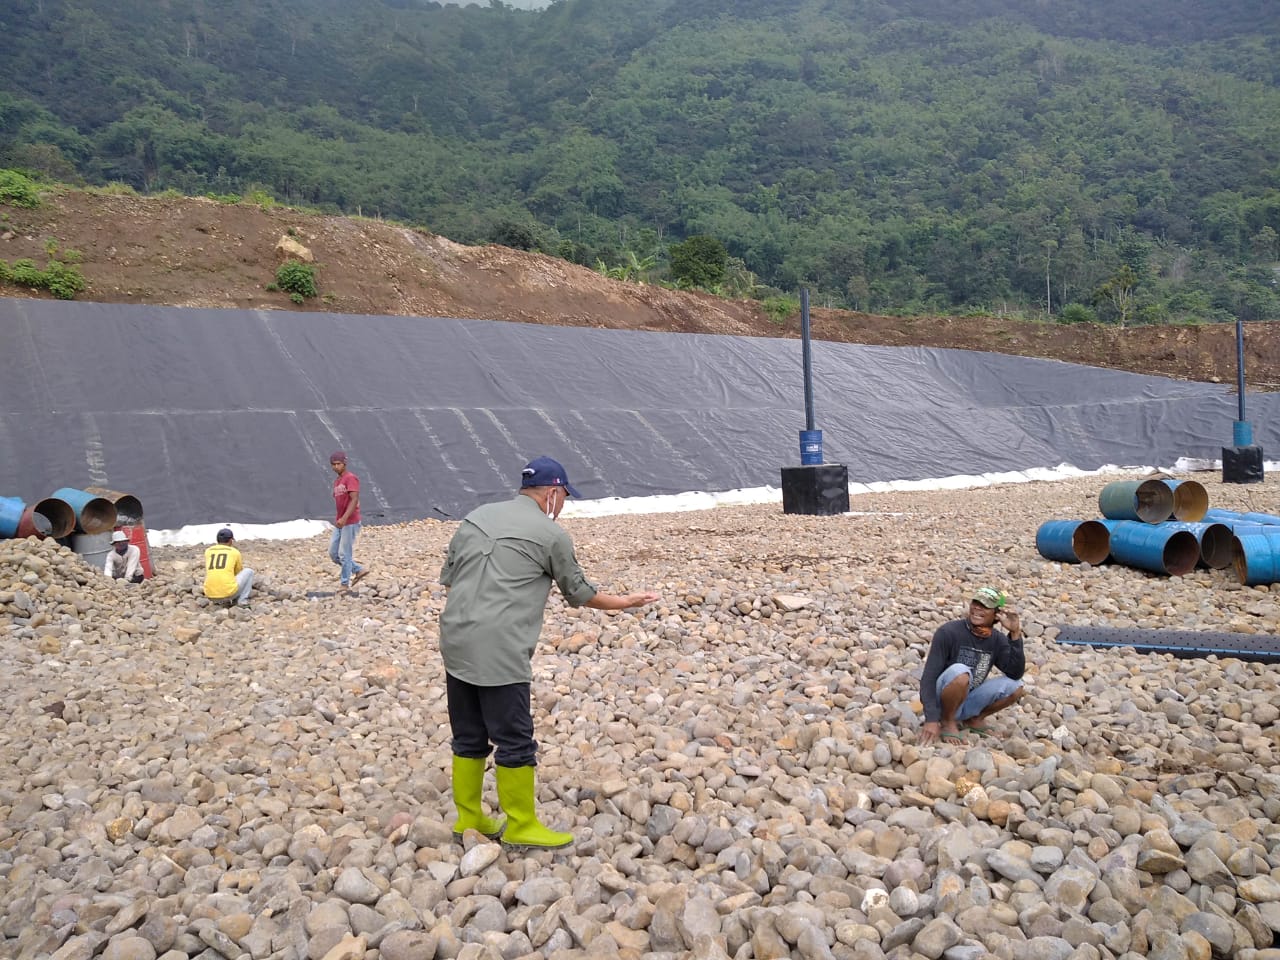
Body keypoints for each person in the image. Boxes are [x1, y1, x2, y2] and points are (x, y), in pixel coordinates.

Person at [439, 455, 659, 849]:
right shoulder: (550, 534)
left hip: (455, 638)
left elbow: (451, 580)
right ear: (553, 493)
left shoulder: (475, 517)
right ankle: (522, 824)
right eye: (563, 497)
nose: (563, 505)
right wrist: (626, 602)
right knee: (515, 738)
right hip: (500, 647)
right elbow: (581, 593)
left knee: (469, 733)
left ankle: (469, 818)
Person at [918, 586, 1026, 745]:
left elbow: (1015, 673)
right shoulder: (948, 632)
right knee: (961, 672)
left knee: (1016, 686)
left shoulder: (997, 639)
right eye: (975, 603)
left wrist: (1015, 634)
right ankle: (947, 721)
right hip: (942, 697)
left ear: (996, 614)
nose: (977, 608)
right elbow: (928, 678)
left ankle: (974, 718)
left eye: (984, 606)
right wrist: (931, 719)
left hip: (968, 699)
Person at [329, 450, 369, 590]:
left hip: (350, 521)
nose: (336, 467)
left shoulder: (350, 478)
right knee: (333, 553)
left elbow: (354, 499)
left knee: (344, 553)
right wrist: (340, 519)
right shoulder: (337, 481)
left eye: (338, 464)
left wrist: (345, 517)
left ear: (344, 463)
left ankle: (344, 584)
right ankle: (358, 569)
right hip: (340, 521)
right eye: (333, 464)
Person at [203, 527, 255, 607]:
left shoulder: (208, 551)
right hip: (228, 594)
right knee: (249, 571)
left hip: (210, 595)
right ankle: (242, 601)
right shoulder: (234, 552)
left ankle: (219, 600)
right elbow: (238, 571)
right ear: (230, 540)